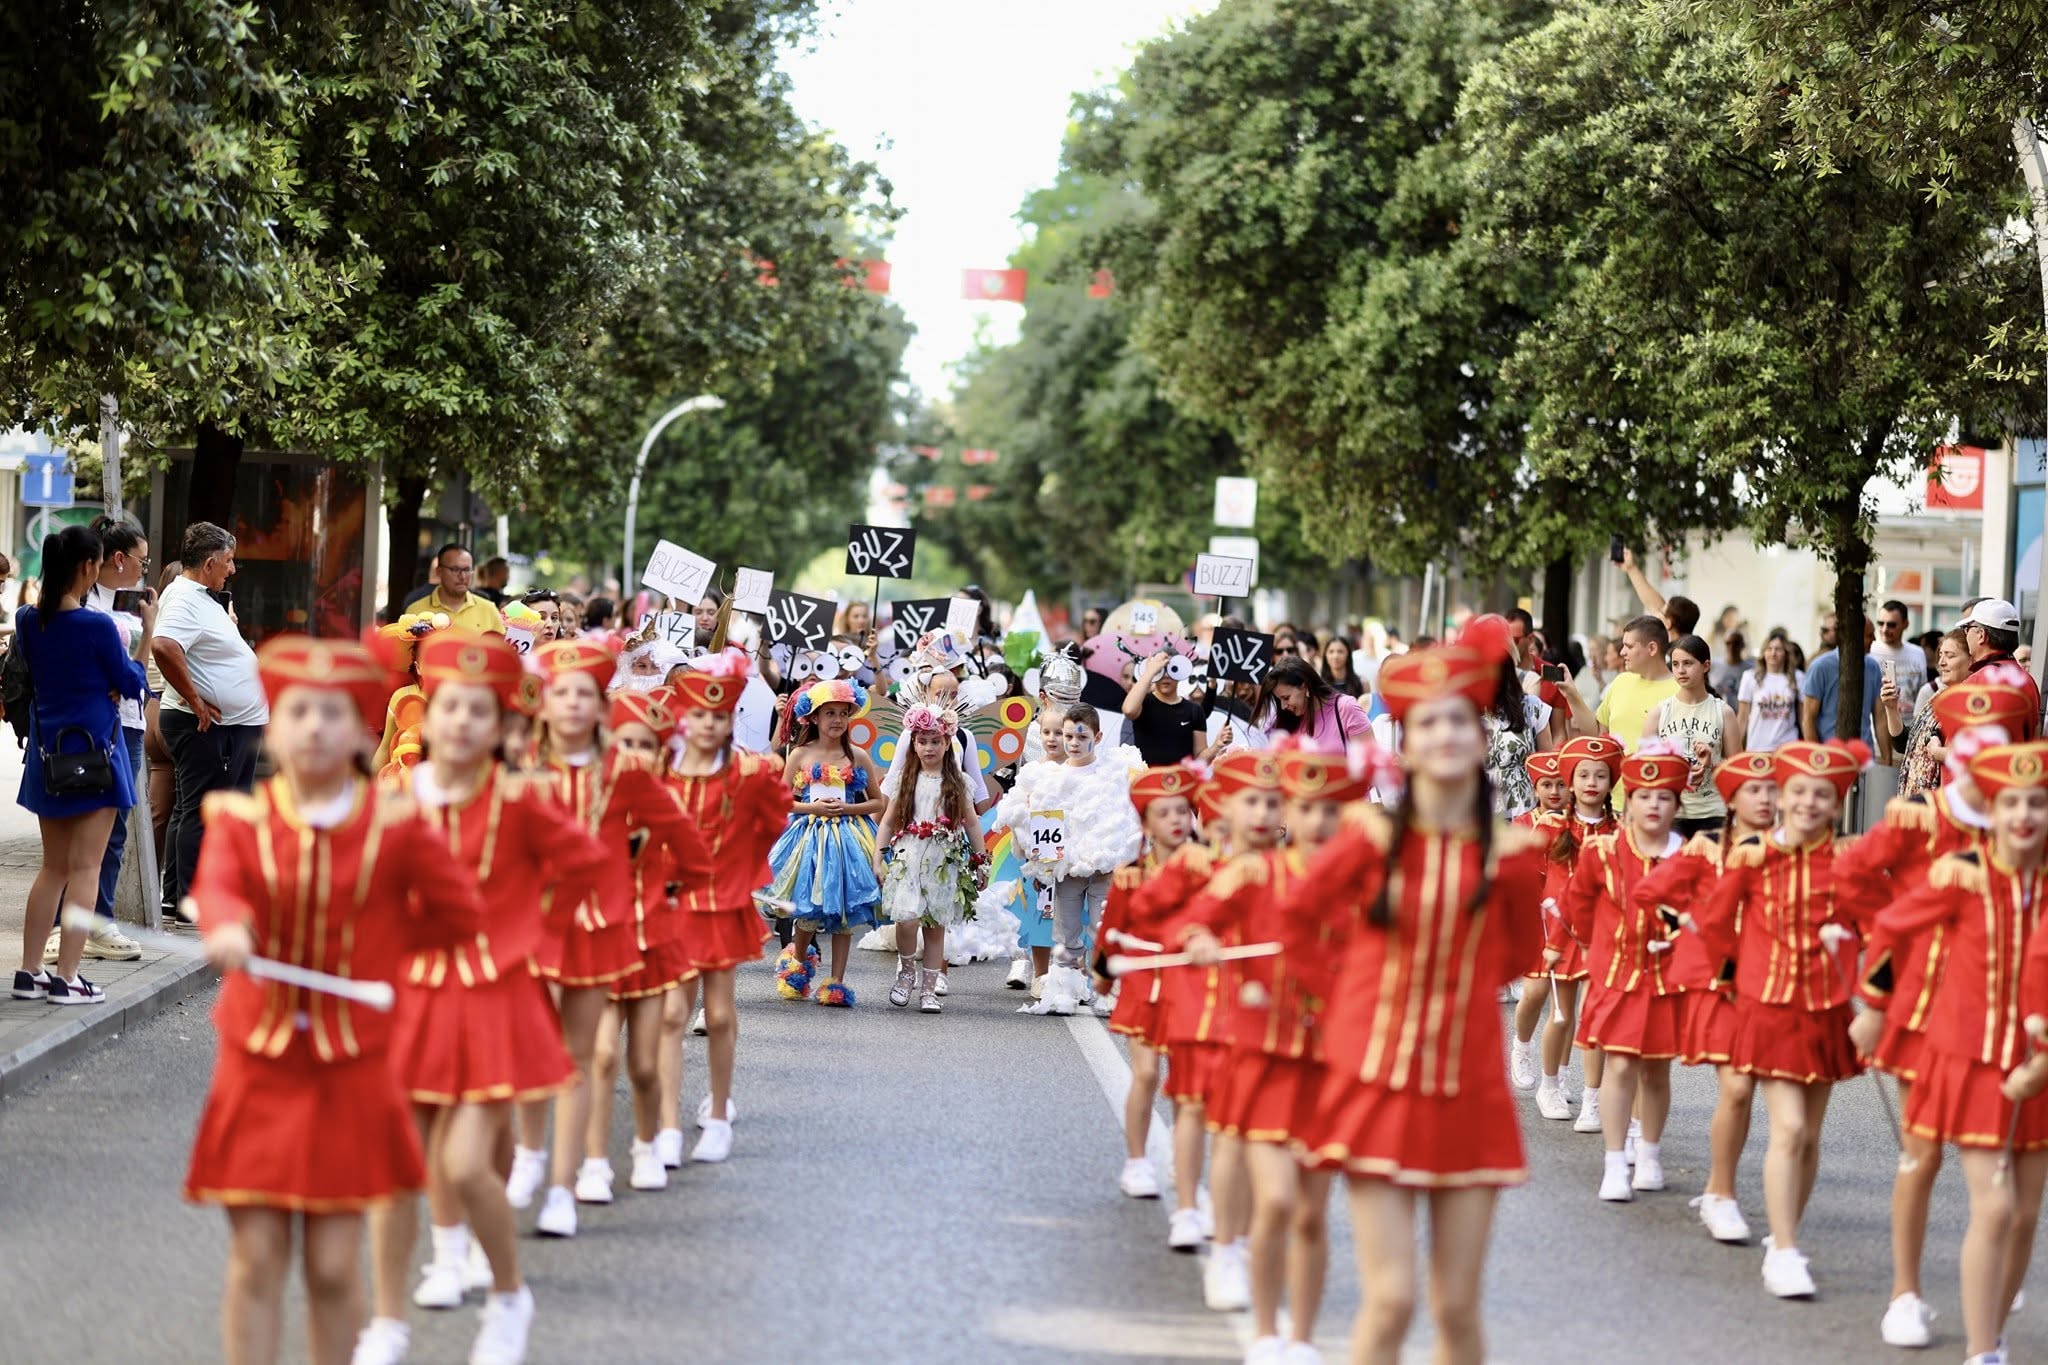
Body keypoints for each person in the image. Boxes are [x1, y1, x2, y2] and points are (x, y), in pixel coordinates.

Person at [183, 637, 483, 1365]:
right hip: (261, 1061)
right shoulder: (239, 819)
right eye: (297, 711)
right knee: (255, 1257)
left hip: (354, 1064)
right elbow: (218, 887)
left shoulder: (397, 823)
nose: (314, 726)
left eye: (333, 712)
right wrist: (226, 925)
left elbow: (458, 914)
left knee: (331, 1263)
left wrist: (384, 951)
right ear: (273, 728)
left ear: (360, 731)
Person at [1285, 643, 1548, 1363]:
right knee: (1392, 1297)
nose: (1445, 735)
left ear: (1480, 731)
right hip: (1378, 1084)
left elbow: (1523, 956)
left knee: (1456, 1307)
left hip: (1471, 1093)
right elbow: (1297, 920)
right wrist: (1340, 1008)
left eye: (1459, 719)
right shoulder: (1369, 838)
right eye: (1427, 722)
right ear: (1405, 738)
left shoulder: (1515, 852)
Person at [360, 631, 607, 1365]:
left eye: (480, 709)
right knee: (403, 1158)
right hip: (410, 1000)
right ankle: (392, 1313)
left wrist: (528, 928)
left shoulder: (523, 799)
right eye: (448, 707)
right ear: (423, 717)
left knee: (466, 1161)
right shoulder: (395, 795)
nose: (462, 720)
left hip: (495, 999)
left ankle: (507, 1294)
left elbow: (589, 867)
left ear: (504, 726)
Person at [1838, 681, 2026, 1349]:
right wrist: (1883, 945)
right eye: (1973, 760)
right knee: (1922, 1155)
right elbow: (1856, 877)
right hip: (1921, 1006)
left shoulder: (2025, 823)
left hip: (2005, 1010)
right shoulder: (1918, 813)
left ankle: (1994, 1268)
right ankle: (1905, 1289)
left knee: (2007, 1159)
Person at [1873, 740, 2048, 1365]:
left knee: (2025, 1214)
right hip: (1974, 1060)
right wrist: (1873, 1007)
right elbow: (1892, 924)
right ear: (1991, 811)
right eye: (2012, 803)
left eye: (2038, 803)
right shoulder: (1962, 872)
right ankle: (1975, 1347)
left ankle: (1993, 1332)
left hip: (2039, 1071)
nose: (2025, 815)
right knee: (1994, 1204)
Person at [1694, 739, 1868, 1299]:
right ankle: (1787, 1249)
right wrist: (1731, 978)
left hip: (1827, 1013)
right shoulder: (1752, 855)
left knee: (1810, 1137)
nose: (1809, 802)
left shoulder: (1847, 860)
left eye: (1822, 794)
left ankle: (1781, 1235)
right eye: (1798, 792)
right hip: (1767, 1008)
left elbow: (1886, 924)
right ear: (1784, 797)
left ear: (1836, 805)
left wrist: (1872, 984)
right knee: (1788, 1128)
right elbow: (1716, 921)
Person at [1636, 750, 1781, 1244]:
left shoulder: (1786, 850)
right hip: (1716, 985)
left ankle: (1748, 1197)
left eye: (1771, 790)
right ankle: (1721, 1194)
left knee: (1758, 1098)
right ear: (1732, 799)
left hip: (1770, 984)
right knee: (1737, 1089)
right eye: (1753, 791)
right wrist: (1687, 927)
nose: (1765, 799)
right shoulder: (1706, 848)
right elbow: (1651, 891)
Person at [8, 525, 150, 1006]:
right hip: (96, 755)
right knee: (87, 869)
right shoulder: (97, 626)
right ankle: (68, 978)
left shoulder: (29, 619)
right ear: (90, 567)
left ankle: (30, 973)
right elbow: (132, 682)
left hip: (50, 756)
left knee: (52, 868)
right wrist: (146, 635)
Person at [666, 649, 792, 1162]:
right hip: (673, 907)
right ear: (684, 716)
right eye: (698, 715)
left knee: (718, 1013)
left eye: (719, 717)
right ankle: (666, 1124)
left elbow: (772, 823)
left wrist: (740, 871)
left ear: (731, 719)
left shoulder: (750, 773)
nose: (707, 726)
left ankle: (718, 1112)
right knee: (673, 1013)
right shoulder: (663, 769)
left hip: (721, 907)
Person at [1560, 747, 1689, 1202]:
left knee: (1655, 1072)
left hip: (1667, 980)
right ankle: (1615, 1162)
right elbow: (1577, 907)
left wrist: (1676, 935)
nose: (1653, 806)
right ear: (1629, 800)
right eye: (1643, 796)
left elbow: (1701, 917)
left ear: (1677, 804)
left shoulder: (1690, 858)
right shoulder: (1603, 851)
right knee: (1618, 1066)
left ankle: (1648, 1152)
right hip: (1616, 978)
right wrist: (1598, 951)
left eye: (1664, 797)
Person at [1090, 764, 1197, 1202]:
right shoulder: (1130, 874)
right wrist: (1101, 975)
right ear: (1146, 822)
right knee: (1148, 1073)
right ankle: (1137, 1161)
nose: (1175, 820)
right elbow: (1111, 928)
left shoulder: (1209, 869)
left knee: (1188, 1081)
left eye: (1183, 811)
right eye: (1164, 812)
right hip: (1142, 984)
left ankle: (1182, 1155)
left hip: (1191, 987)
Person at [152, 521, 268, 922]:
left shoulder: (200, 595)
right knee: (205, 811)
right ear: (210, 562)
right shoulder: (184, 597)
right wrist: (197, 701)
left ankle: (179, 898)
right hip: (206, 725)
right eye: (229, 562)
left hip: (229, 724)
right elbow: (164, 646)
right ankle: (192, 900)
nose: (232, 570)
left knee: (195, 809)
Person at [768, 680, 885, 1005]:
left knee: (845, 911)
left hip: (849, 838)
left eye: (843, 713)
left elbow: (878, 802)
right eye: (829, 713)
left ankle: (837, 982)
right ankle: (797, 963)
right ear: (814, 718)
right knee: (809, 907)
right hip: (809, 837)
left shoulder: (857, 755)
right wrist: (812, 808)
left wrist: (848, 807)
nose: (836, 720)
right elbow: (780, 801)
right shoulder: (800, 754)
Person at [70, 513, 154, 962]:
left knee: (115, 826)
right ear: (117, 558)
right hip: (98, 723)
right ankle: (77, 923)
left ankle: (97, 920)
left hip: (130, 721)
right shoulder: (84, 605)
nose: (146, 566)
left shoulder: (129, 602)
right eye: (142, 558)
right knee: (85, 827)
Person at [874, 702, 988, 1014]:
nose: (929, 748)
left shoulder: (958, 782)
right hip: (908, 856)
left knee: (935, 925)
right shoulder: (903, 780)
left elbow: (973, 823)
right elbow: (887, 821)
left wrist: (981, 860)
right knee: (907, 919)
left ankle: (929, 989)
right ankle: (907, 971)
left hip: (943, 860)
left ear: (948, 743)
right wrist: (878, 857)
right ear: (912, 743)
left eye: (936, 741)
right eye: (922, 741)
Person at [1645, 634, 1740, 837]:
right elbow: (1645, 770)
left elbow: (1737, 770)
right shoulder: (1659, 712)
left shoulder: (1723, 712)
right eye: (1676, 664)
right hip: (1672, 813)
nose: (1680, 670)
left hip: (1714, 812)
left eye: (1688, 663)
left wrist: (1711, 762)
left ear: (1706, 666)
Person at [1887, 627, 1973, 798]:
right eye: (1941, 654)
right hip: (1918, 800)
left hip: (1943, 800)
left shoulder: (1972, 702)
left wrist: (1937, 752)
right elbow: (1904, 744)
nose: (1941, 662)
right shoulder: (1939, 695)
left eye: (1950, 656)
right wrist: (1891, 707)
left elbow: (1971, 757)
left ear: (1972, 660)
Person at [1596, 615, 1678, 763]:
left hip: (1655, 784)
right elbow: (1599, 733)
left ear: (1652, 648)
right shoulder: (1620, 681)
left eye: (1629, 646)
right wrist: (1571, 694)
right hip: (1613, 786)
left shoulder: (1680, 692)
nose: (1622, 652)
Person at [1123, 646, 1220, 765]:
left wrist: (1217, 745)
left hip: (1181, 780)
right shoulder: (1143, 703)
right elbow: (1128, 710)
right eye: (1161, 670)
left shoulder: (1194, 710)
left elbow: (1199, 758)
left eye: (1172, 670)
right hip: (1147, 780)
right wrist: (1150, 671)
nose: (1166, 676)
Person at [1801, 615, 1885, 750]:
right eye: (1869, 635)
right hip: (1829, 756)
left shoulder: (1873, 667)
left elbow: (1880, 717)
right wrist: (1816, 758)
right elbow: (1808, 718)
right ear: (1855, 636)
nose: (1874, 639)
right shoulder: (1820, 667)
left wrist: (1887, 761)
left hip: (1864, 756)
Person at [1961, 597, 2042, 735]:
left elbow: (1960, 747)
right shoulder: (2028, 680)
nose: (1966, 634)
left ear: (1981, 635)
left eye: (1967, 628)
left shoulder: (1976, 681)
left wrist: (1935, 749)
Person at [1254, 655, 1370, 748]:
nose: (1283, 706)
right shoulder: (1288, 719)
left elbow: (1369, 762)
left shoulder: (1345, 708)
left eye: (1286, 698)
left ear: (1304, 686)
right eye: (1279, 700)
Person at [404, 544, 507, 635]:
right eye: (455, 569)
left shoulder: (489, 610)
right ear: (439, 572)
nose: (462, 576)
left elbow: (502, 651)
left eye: (467, 570)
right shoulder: (415, 611)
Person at [1736, 634, 1804, 754]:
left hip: (1787, 747)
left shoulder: (1798, 677)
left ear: (1786, 653)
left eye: (1778, 649)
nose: (1773, 653)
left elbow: (1804, 716)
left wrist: (1809, 746)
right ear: (1763, 652)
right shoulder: (1750, 677)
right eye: (1769, 649)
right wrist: (1734, 751)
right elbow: (1742, 718)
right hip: (1757, 747)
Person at [1618, 547, 1702, 637]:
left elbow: (1654, 606)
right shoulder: (1687, 646)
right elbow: (1653, 604)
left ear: (1668, 624)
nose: (1656, 613)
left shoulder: (1671, 649)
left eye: (1661, 612)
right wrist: (1631, 568)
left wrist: (1631, 569)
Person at [1869, 598, 1930, 717]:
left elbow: (1923, 693)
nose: (1885, 629)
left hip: (1910, 723)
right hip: (1877, 726)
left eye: (1891, 625)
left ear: (1905, 624)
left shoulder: (1917, 653)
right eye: (1880, 623)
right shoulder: (1870, 651)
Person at [1711, 630, 1749, 709]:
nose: (1731, 647)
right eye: (1728, 643)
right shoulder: (1713, 666)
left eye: (1735, 643)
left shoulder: (1750, 670)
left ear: (1742, 645)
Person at [1320, 633, 1366, 698]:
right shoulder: (1318, 684)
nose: (1335, 656)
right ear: (1325, 655)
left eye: (1340, 651)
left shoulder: (1362, 683)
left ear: (1348, 654)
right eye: (1331, 651)